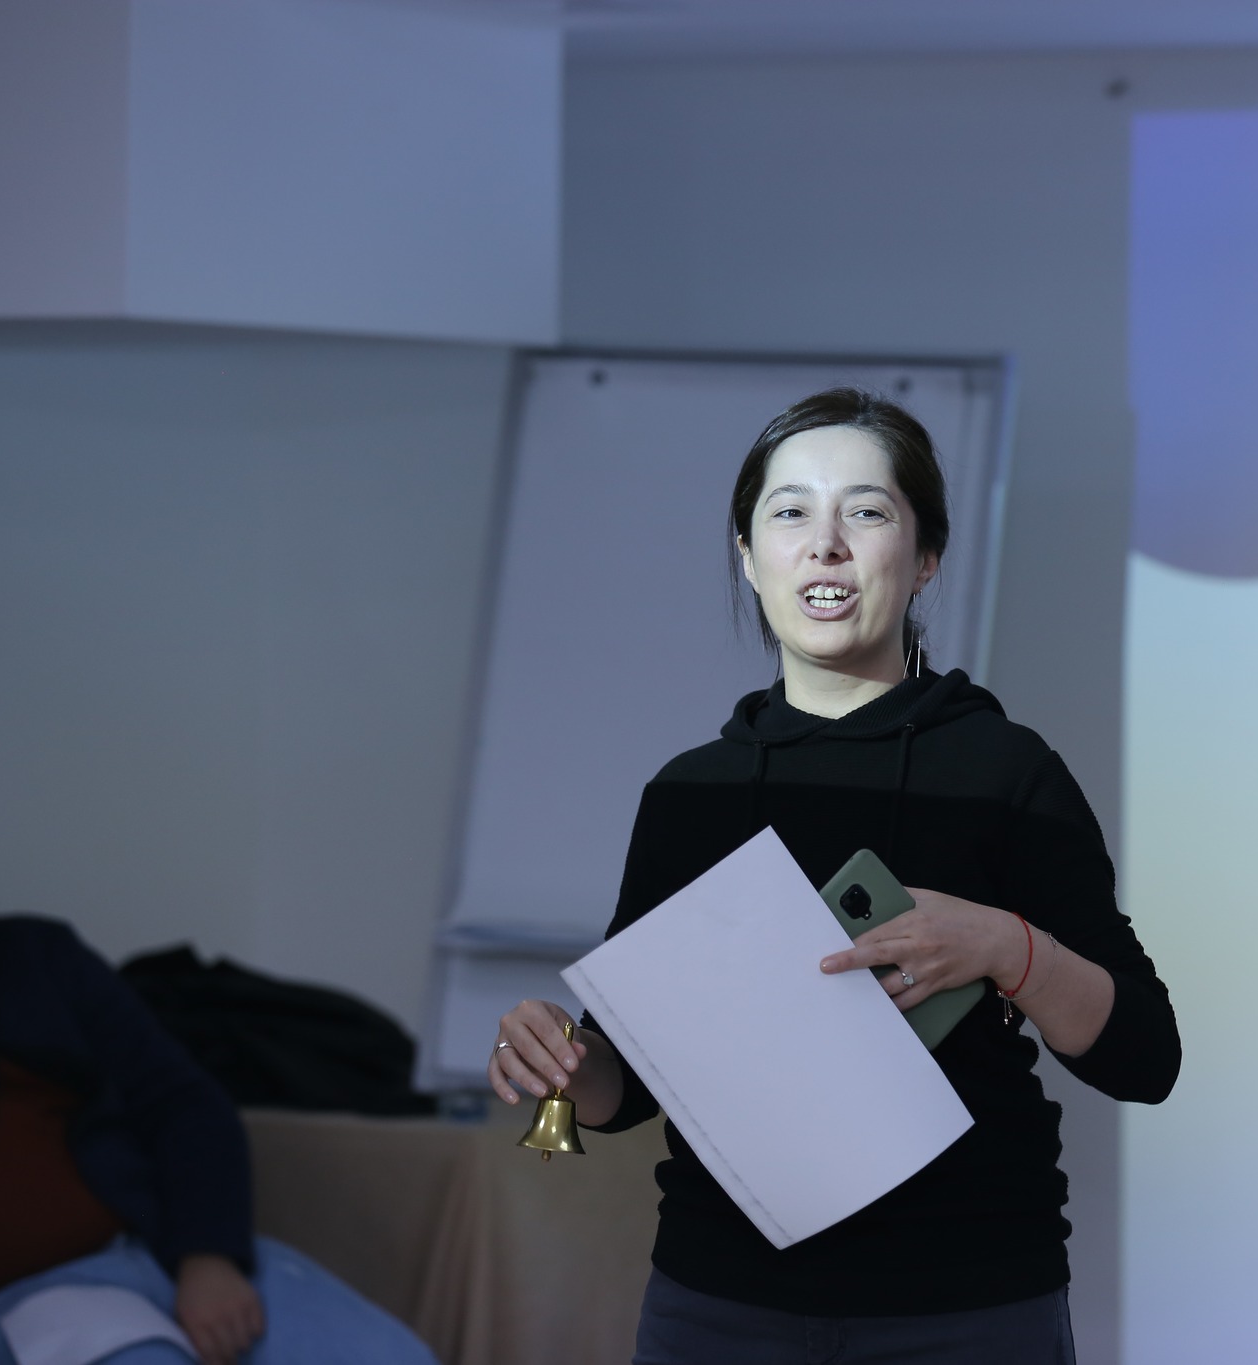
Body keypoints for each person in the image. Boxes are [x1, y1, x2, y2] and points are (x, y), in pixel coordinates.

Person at [491, 388, 1181, 1363]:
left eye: (865, 511)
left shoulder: (1005, 773)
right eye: (789, 513)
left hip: (965, 1304)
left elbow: (1144, 1057)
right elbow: (629, 1087)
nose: (824, 544)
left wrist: (1009, 948)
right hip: (719, 1305)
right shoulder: (689, 792)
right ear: (747, 555)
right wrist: (561, 1061)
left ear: (925, 557)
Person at [0, 758, 435, 1365]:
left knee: (392, 1356)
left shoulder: (28, 959)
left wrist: (207, 1255)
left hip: (152, 1253)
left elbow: (182, 1101)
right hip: (2, 1304)